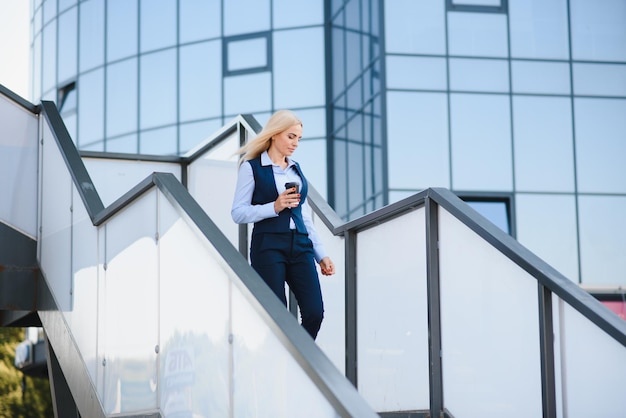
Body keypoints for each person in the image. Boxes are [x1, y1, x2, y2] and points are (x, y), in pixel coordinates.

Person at [231, 109, 335, 340]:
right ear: (275, 134)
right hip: (268, 245)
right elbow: (238, 213)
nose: (295, 143)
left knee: (315, 312)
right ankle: (279, 363)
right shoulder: (252, 167)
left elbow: (305, 215)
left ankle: (295, 359)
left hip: (300, 245)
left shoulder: (296, 169)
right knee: (278, 315)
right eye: (291, 136)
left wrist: (321, 255)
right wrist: (274, 207)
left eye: (299, 138)